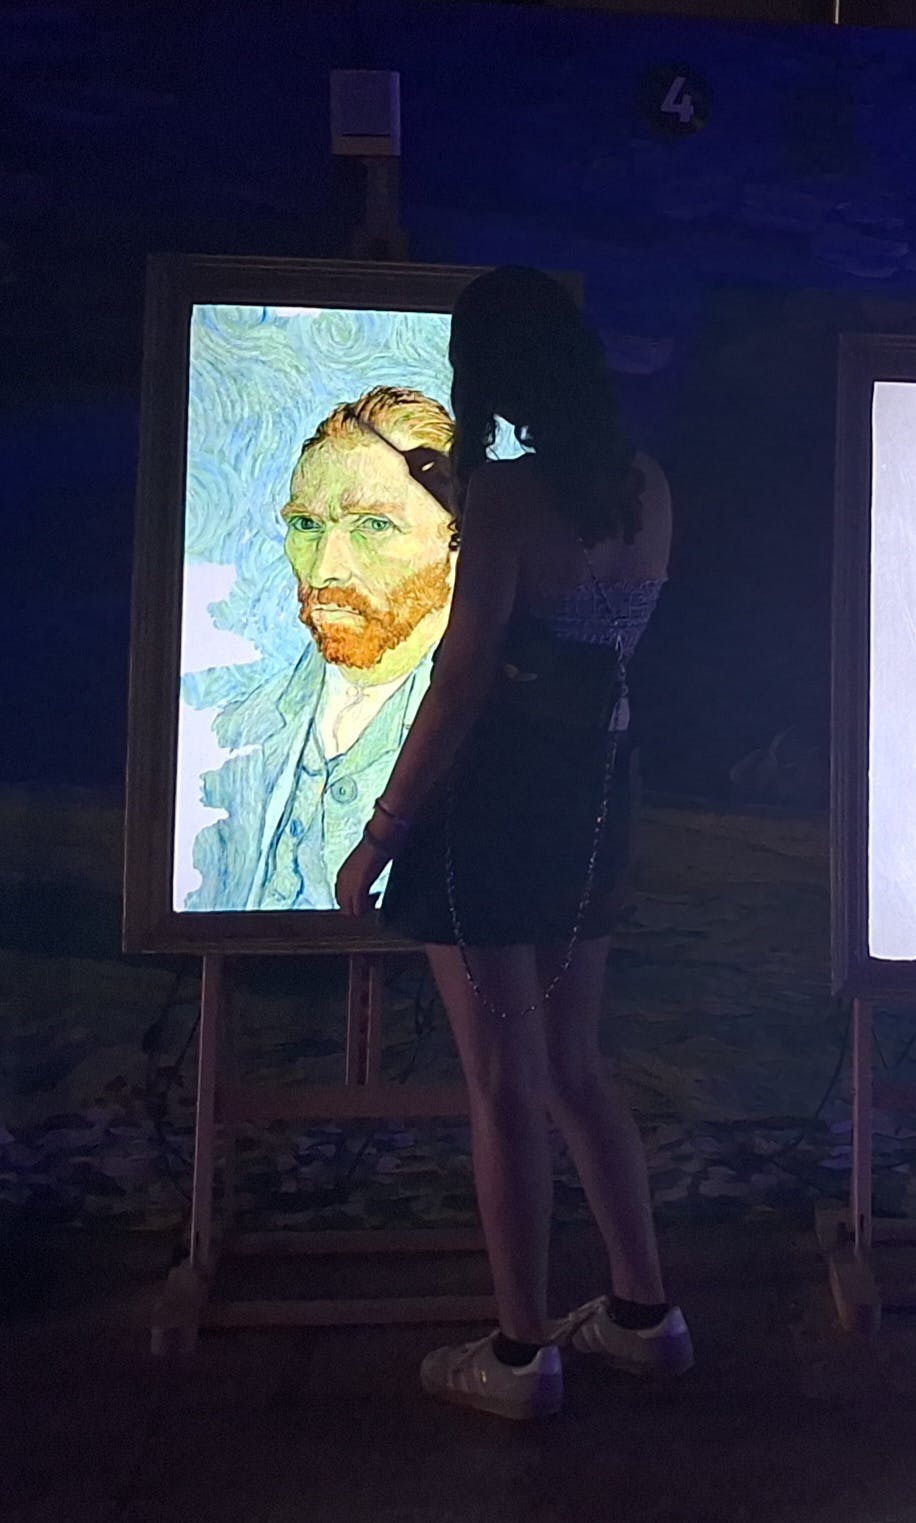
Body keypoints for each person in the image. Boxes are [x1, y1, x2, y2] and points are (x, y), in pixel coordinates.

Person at [335, 267, 694, 1421]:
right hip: (597, 801)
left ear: (486, 374)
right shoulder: (642, 483)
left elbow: (462, 678)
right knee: (576, 1067)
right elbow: (569, 603)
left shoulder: (503, 499)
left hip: (495, 814)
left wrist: (379, 833)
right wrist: (468, 500)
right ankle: (644, 1317)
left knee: (505, 1085)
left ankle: (518, 1353)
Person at [185, 385, 456, 910]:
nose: (325, 569)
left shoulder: (496, 739)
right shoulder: (233, 731)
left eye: (373, 525)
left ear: (456, 538)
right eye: (306, 525)